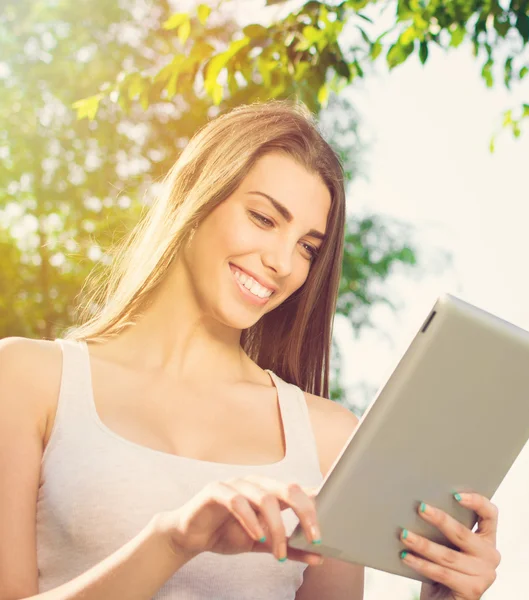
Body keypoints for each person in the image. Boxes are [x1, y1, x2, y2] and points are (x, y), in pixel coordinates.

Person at [0, 100, 500, 600]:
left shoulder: (327, 437)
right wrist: (171, 541)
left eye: (307, 247)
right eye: (263, 218)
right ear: (195, 196)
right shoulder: (28, 379)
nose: (283, 262)